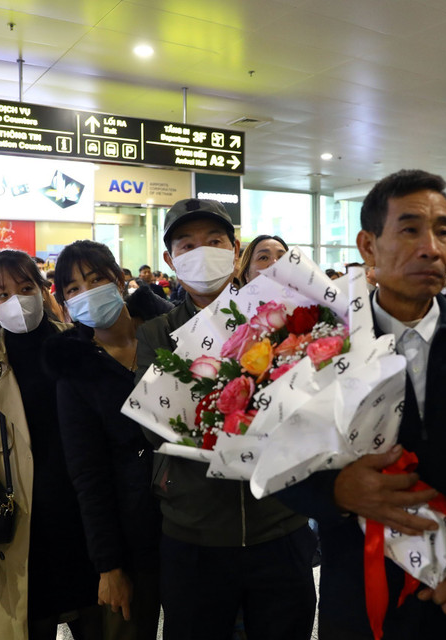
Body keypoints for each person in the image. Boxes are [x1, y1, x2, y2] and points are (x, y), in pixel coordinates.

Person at [277, 169, 446, 639]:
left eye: (443, 230)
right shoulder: (315, 348)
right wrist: (336, 492)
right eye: (410, 229)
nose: (433, 248)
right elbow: (273, 456)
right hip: (361, 594)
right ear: (368, 247)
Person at [135, 198, 317, 640]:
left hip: (280, 522)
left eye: (214, 241)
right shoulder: (156, 334)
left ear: (234, 250)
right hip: (194, 532)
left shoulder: (279, 320)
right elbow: (157, 423)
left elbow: (307, 408)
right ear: (169, 260)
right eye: (187, 244)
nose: (202, 252)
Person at [0, 250, 97, 640]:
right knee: (30, 621)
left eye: (26, 288)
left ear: (43, 290)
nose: (17, 301)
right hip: (25, 529)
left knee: (97, 620)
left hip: (86, 521)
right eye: (3, 294)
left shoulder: (77, 344)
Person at [47, 240, 171, 639]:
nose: (87, 292)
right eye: (73, 288)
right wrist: (109, 566)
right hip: (130, 535)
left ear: (120, 281)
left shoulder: (167, 336)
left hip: (191, 522)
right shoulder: (75, 370)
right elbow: (88, 474)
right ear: (65, 304)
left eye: (96, 279)